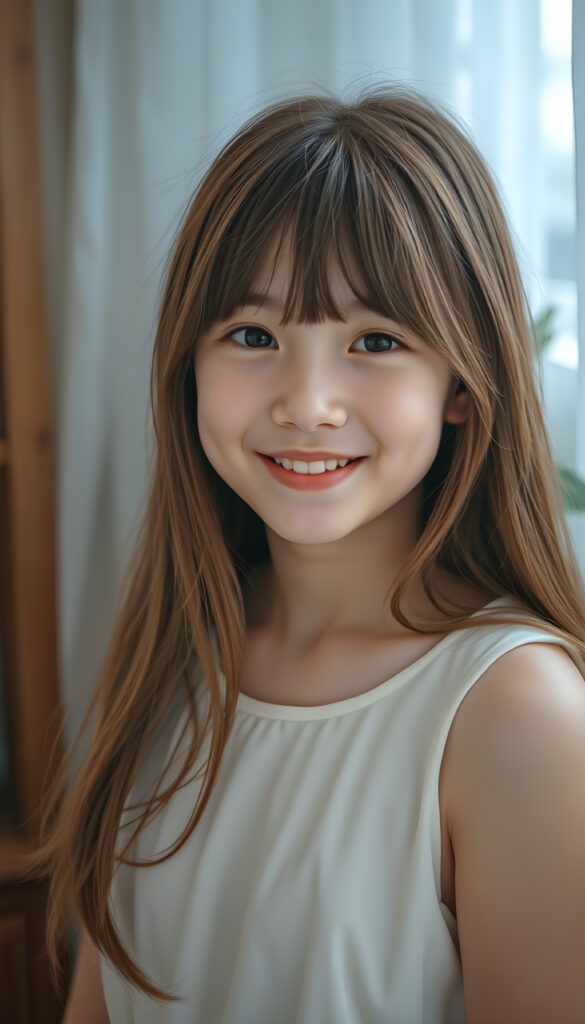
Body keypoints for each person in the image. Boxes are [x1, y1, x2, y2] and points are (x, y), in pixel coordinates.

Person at [35, 86, 585, 1022]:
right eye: (253, 335)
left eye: (374, 340)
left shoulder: (516, 717)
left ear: (462, 382)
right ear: (188, 363)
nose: (307, 404)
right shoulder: (177, 651)